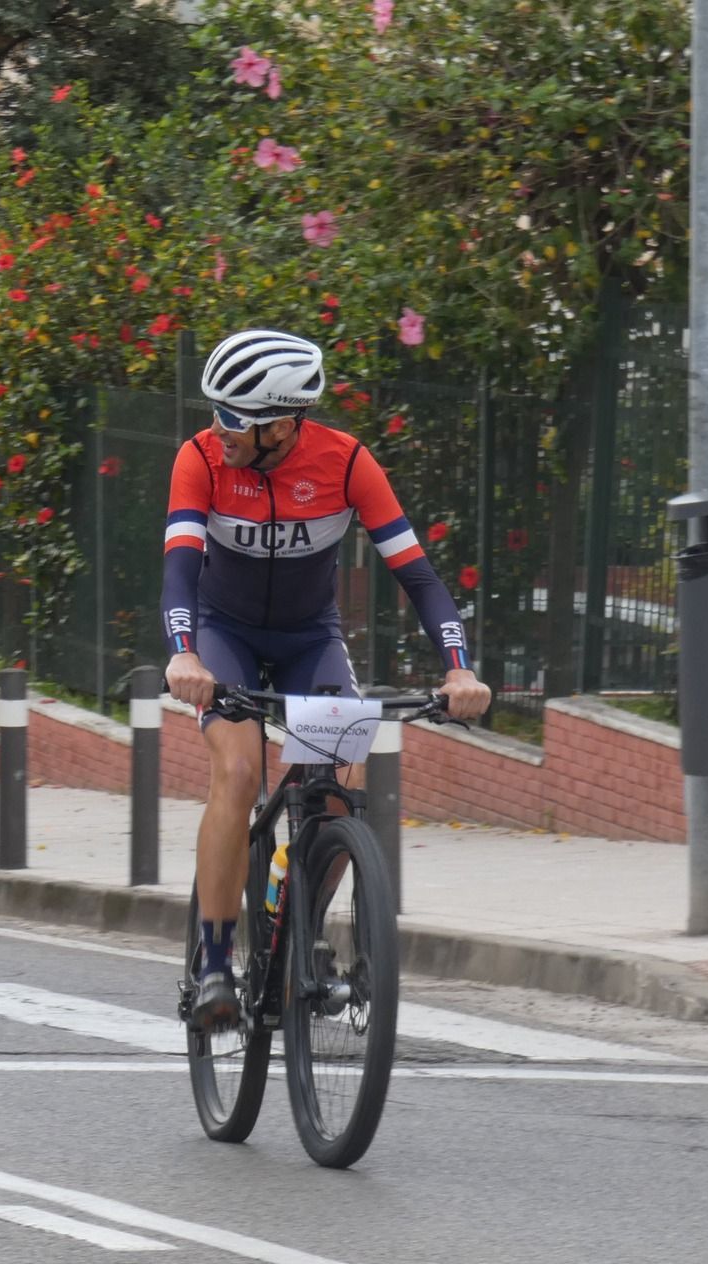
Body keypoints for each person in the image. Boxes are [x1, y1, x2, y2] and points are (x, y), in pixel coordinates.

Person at [162, 329, 492, 1031]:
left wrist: (459, 668)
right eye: (215, 411)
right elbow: (181, 570)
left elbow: (419, 576)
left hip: (311, 639)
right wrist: (185, 652)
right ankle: (217, 961)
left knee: (342, 784)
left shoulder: (346, 464)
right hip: (224, 634)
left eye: (233, 418)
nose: (217, 429)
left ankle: (294, 930)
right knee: (240, 771)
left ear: (282, 425)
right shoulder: (199, 459)